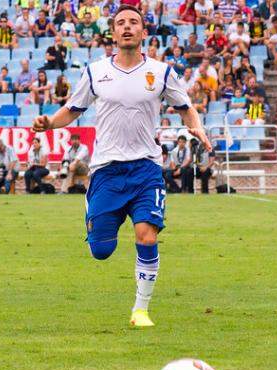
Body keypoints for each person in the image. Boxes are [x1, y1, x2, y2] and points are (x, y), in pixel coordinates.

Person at [32, 5, 212, 327]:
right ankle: (92, 205)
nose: (127, 27)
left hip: (145, 169)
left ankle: (140, 310)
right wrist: (49, 124)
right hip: (106, 170)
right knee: (101, 250)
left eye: (133, 22)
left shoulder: (161, 72)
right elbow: (73, 110)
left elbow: (186, 109)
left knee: (146, 236)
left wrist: (195, 126)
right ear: (112, 33)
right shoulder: (95, 71)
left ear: (144, 32)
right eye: (120, 23)